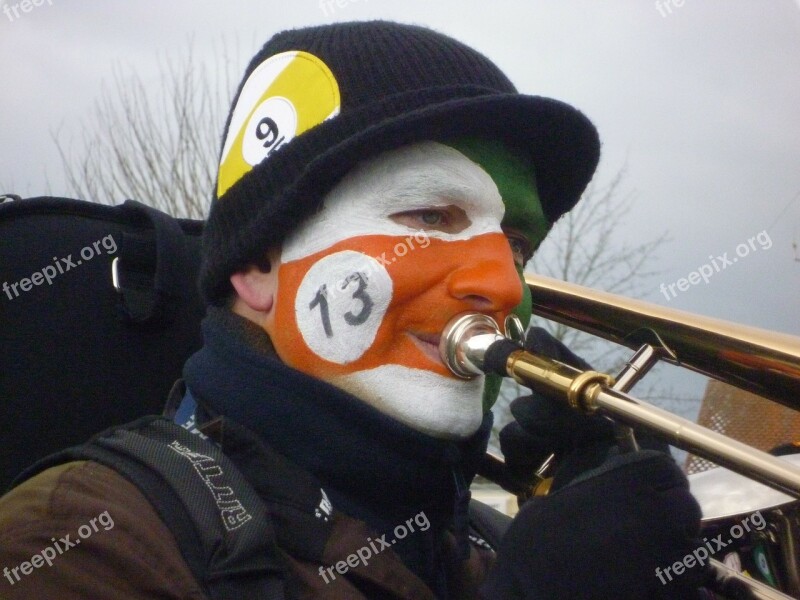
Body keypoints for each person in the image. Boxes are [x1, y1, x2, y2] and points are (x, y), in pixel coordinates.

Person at [0, 20, 707, 599]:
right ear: (258, 266)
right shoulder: (83, 539)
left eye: (516, 246)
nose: (502, 285)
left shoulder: (480, 546)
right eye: (430, 213)